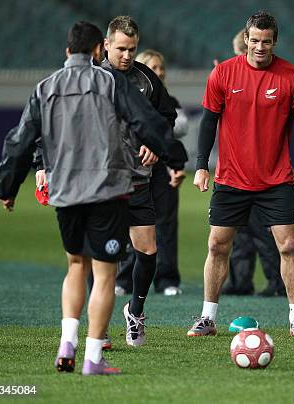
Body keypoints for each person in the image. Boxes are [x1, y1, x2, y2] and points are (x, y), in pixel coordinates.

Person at [0, 21, 186, 375]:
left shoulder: (44, 87)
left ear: (67, 51)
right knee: (104, 272)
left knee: (76, 266)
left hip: (67, 191)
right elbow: (148, 121)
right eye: (119, 49)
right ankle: (93, 356)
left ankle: (68, 340)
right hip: (107, 188)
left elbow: (19, 140)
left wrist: (7, 186)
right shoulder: (109, 82)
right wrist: (174, 157)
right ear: (100, 49)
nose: (127, 55)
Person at [188, 11, 294, 338]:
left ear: (275, 42)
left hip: (276, 180)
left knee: (289, 245)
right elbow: (207, 123)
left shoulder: (292, 76)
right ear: (246, 39)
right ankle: (207, 317)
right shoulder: (223, 74)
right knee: (218, 245)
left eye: (267, 42)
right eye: (255, 40)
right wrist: (202, 165)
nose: (260, 47)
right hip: (231, 179)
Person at [102, 16, 186, 346]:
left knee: (147, 249)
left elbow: (167, 116)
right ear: (106, 45)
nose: (126, 55)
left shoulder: (146, 79)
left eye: (132, 49)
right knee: (105, 256)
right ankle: (101, 327)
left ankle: (135, 311)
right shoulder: (93, 79)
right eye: (120, 48)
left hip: (138, 180)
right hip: (101, 184)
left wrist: (155, 144)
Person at [219, 28, 284, 297]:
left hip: (262, 174)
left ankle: (276, 283)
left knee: (262, 232)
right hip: (236, 171)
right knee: (240, 235)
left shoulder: (273, 80)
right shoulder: (228, 79)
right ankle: (241, 281)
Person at [120, 48, 187, 297]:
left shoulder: (163, 97)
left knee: (166, 225)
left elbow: (177, 124)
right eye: (153, 67)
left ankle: (167, 278)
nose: (158, 72)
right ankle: (124, 277)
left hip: (161, 166)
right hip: (131, 166)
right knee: (131, 225)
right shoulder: (127, 92)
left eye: (161, 68)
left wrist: (168, 158)